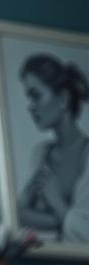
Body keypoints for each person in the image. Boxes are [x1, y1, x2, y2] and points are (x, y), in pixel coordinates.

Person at [16, 53, 89, 243]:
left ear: (64, 99)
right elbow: (19, 215)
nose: (30, 107)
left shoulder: (86, 153)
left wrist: (56, 202)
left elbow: (84, 230)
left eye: (36, 96)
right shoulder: (40, 153)